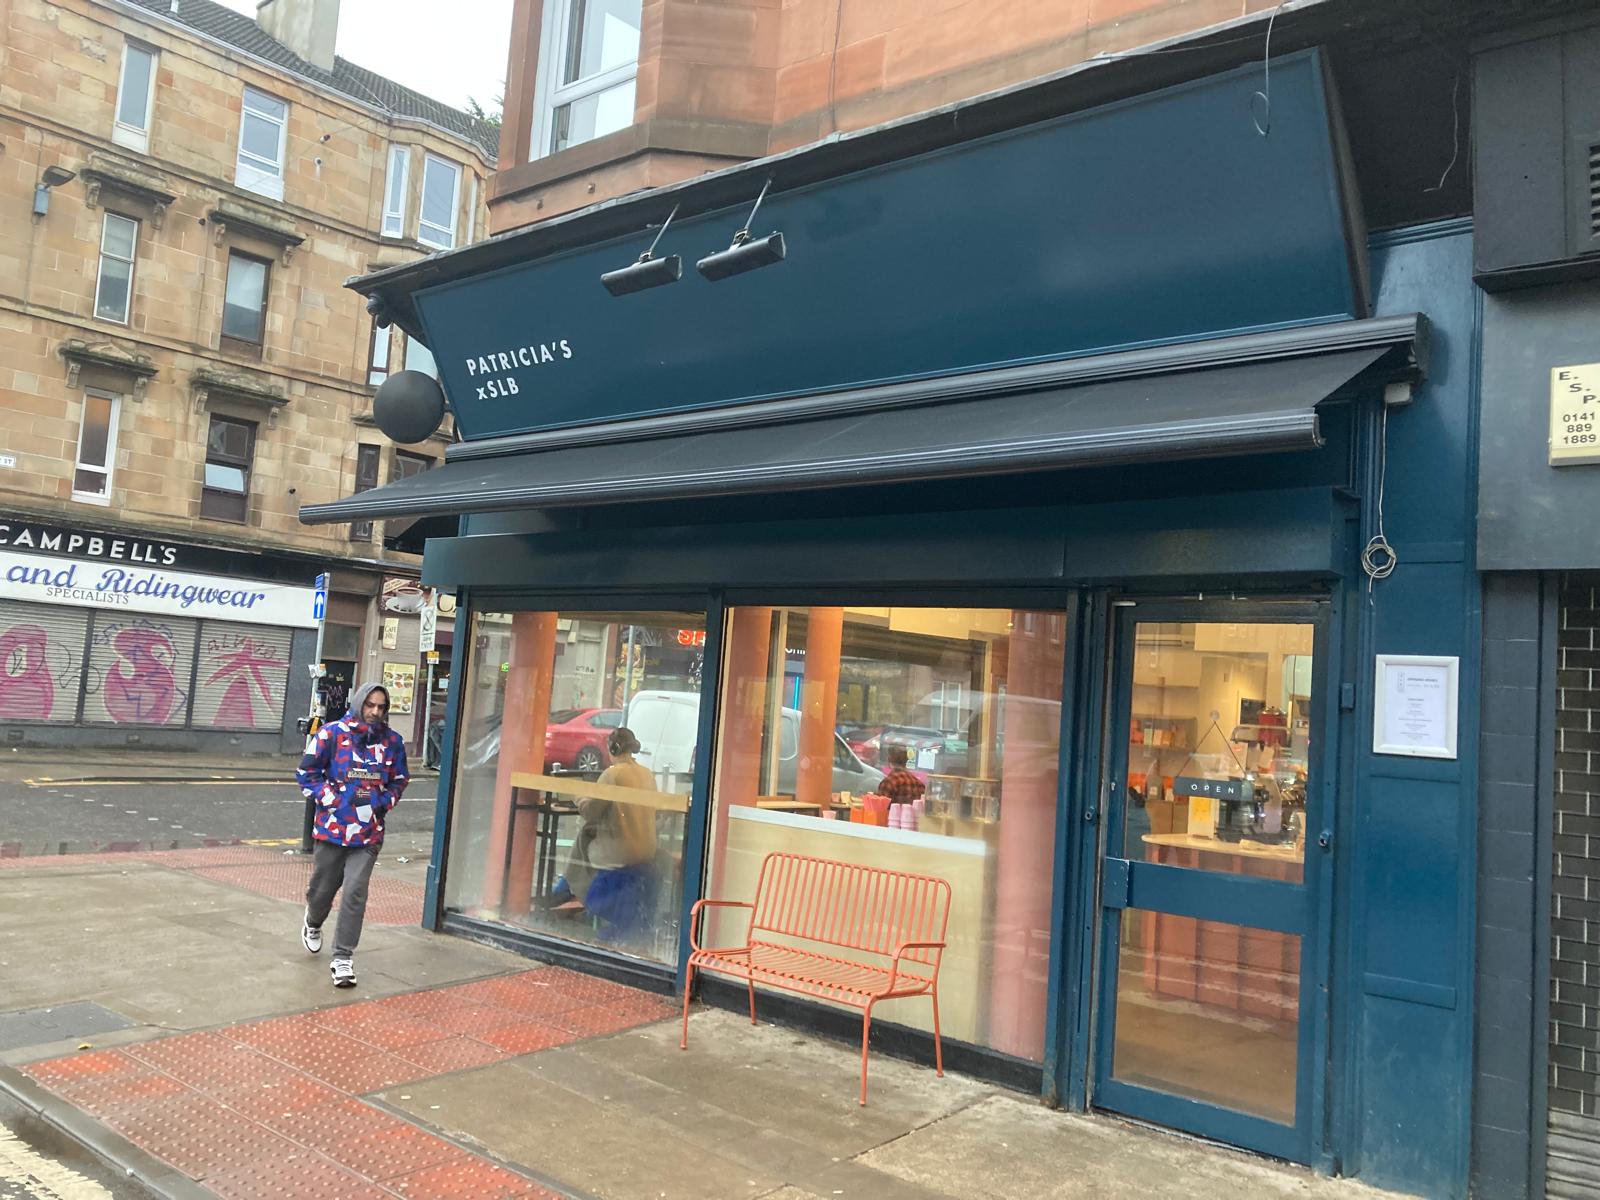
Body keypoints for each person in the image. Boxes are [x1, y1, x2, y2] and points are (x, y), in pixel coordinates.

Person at [295, 682, 409, 988]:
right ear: (359, 703)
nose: (375, 711)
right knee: (322, 890)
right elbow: (307, 773)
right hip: (332, 830)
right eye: (370, 705)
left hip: (368, 833)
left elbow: (399, 780)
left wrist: (383, 803)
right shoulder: (331, 734)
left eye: (381, 707)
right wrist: (332, 800)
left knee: (355, 891)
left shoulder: (393, 742)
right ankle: (313, 921)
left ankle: (343, 957)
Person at [555, 727, 658, 943]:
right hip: (646, 849)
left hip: (620, 852)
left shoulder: (612, 774)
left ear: (612, 748)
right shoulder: (647, 774)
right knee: (587, 837)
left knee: (584, 838)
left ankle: (568, 889)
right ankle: (566, 889)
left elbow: (591, 812)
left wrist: (579, 798)